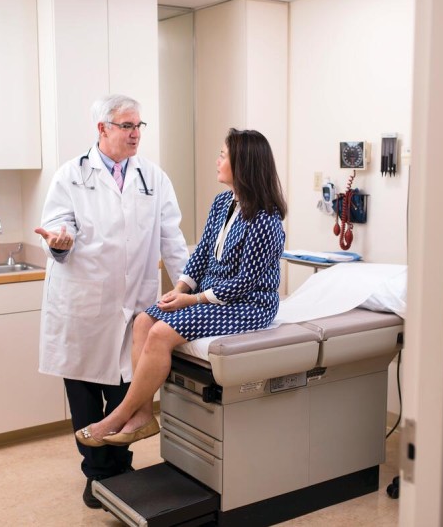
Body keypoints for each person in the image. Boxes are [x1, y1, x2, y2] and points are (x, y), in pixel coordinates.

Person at [74, 128, 287, 447]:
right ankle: (143, 415)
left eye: (222, 155)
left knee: (160, 334)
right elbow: (201, 253)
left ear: (242, 165)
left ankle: (119, 416)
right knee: (144, 321)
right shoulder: (222, 203)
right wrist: (182, 287)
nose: (217, 161)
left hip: (249, 304)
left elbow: (244, 284)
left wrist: (192, 299)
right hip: (213, 296)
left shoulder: (266, 221)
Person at [34, 95, 189, 509]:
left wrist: (189, 289)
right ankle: (98, 475)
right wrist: (61, 241)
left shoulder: (153, 178)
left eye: (139, 125)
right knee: (85, 394)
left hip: (133, 304)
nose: (136, 133)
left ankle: (120, 468)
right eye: (126, 125)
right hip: (83, 305)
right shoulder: (71, 175)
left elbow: (173, 240)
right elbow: (56, 227)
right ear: (102, 129)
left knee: (125, 393)